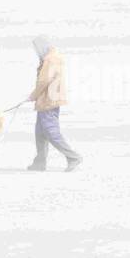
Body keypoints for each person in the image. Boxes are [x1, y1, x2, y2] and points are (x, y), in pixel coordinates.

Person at [25, 35, 83, 171]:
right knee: (40, 132)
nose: (36, 51)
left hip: (49, 100)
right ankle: (39, 162)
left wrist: (33, 95)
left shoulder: (50, 60)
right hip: (47, 99)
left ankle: (73, 157)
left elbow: (44, 80)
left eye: (36, 48)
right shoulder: (53, 57)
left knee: (51, 132)